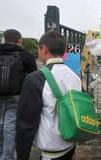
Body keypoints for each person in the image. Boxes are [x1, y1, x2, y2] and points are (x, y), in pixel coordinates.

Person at [16, 31, 81, 160]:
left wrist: (22, 155)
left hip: (51, 149)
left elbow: (26, 123)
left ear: (44, 49)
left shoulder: (35, 79)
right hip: (70, 143)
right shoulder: (75, 77)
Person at [0, 29, 37, 160]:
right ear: (19, 41)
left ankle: (1, 154)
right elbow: (33, 75)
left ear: (4, 39)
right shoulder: (24, 55)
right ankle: (7, 157)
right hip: (16, 95)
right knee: (10, 124)